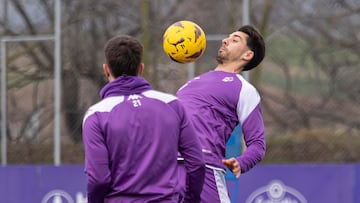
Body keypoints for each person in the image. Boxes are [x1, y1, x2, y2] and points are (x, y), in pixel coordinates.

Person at [82, 35, 205, 203]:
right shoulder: (172, 105)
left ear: (106, 70)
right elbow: (196, 164)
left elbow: (99, 179)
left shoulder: (96, 115)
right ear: (141, 68)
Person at [176, 25, 266, 202]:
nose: (225, 40)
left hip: (205, 169)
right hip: (167, 169)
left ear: (247, 55)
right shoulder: (189, 84)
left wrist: (241, 162)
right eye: (228, 37)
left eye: (235, 40)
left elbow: (257, 145)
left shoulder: (244, 90)